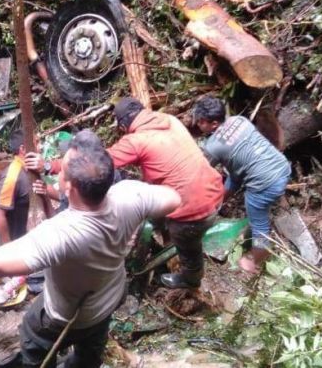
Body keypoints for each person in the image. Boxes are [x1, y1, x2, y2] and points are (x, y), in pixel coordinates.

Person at [0, 130, 181, 367]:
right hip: (109, 299)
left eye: (62, 167)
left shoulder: (61, 233)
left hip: (65, 314)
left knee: (33, 338)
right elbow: (173, 198)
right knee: (90, 349)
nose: (56, 167)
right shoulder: (129, 195)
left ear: (69, 187)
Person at [26, 97, 224, 289]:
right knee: (158, 216)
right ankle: (161, 236)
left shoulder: (136, 141)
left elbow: (98, 161)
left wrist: (50, 165)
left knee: (188, 246)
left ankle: (191, 278)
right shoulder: (170, 121)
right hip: (215, 190)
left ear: (122, 126)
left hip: (194, 210)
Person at [192, 96, 291, 274]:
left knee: (259, 223)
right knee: (235, 178)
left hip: (264, 184)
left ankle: (256, 258)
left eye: (201, 122)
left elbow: (200, 174)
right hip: (281, 166)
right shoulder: (239, 120)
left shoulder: (213, 146)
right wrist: (219, 199)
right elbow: (236, 171)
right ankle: (220, 205)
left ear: (214, 124)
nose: (198, 125)